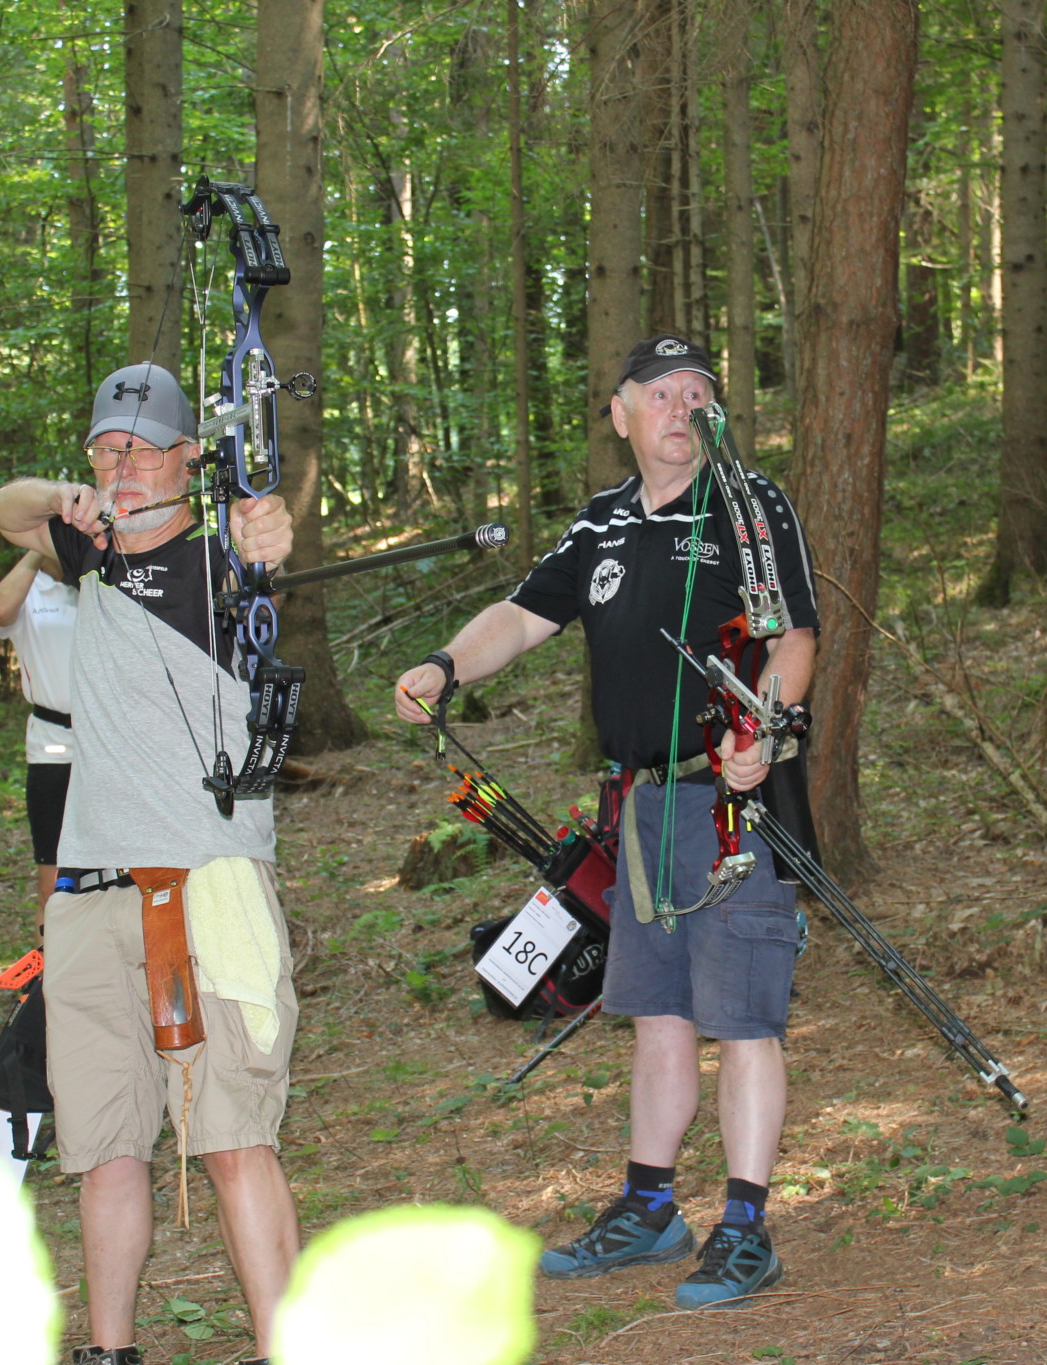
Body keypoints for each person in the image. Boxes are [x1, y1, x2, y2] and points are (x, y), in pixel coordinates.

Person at [394, 334, 820, 1310]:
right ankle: (649, 1206)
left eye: (697, 391)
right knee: (656, 1012)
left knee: (741, 1017)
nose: (682, 407)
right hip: (639, 806)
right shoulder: (601, 522)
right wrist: (445, 667)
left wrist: (761, 728)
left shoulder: (749, 505)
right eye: (659, 393)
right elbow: (521, 616)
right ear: (620, 413)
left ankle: (745, 1226)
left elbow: (791, 636)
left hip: (731, 801)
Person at [0, 363, 300, 1365]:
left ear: (189, 457)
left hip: (209, 891)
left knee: (235, 1137)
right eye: (105, 451)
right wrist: (61, 497)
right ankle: (109, 1351)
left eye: (143, 450)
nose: (121, 467)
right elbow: (6, 509)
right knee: (104, 1148)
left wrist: (264, 533)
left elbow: (266, 540)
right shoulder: (86, 552)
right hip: (88, 895)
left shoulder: (225, 564)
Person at [0, 549, 79, 919]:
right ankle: (51, 957)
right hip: (53, 742)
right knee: (54, 883)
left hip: (112, 741)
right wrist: (38, 548)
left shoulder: (104, 576)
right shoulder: (28, 589)